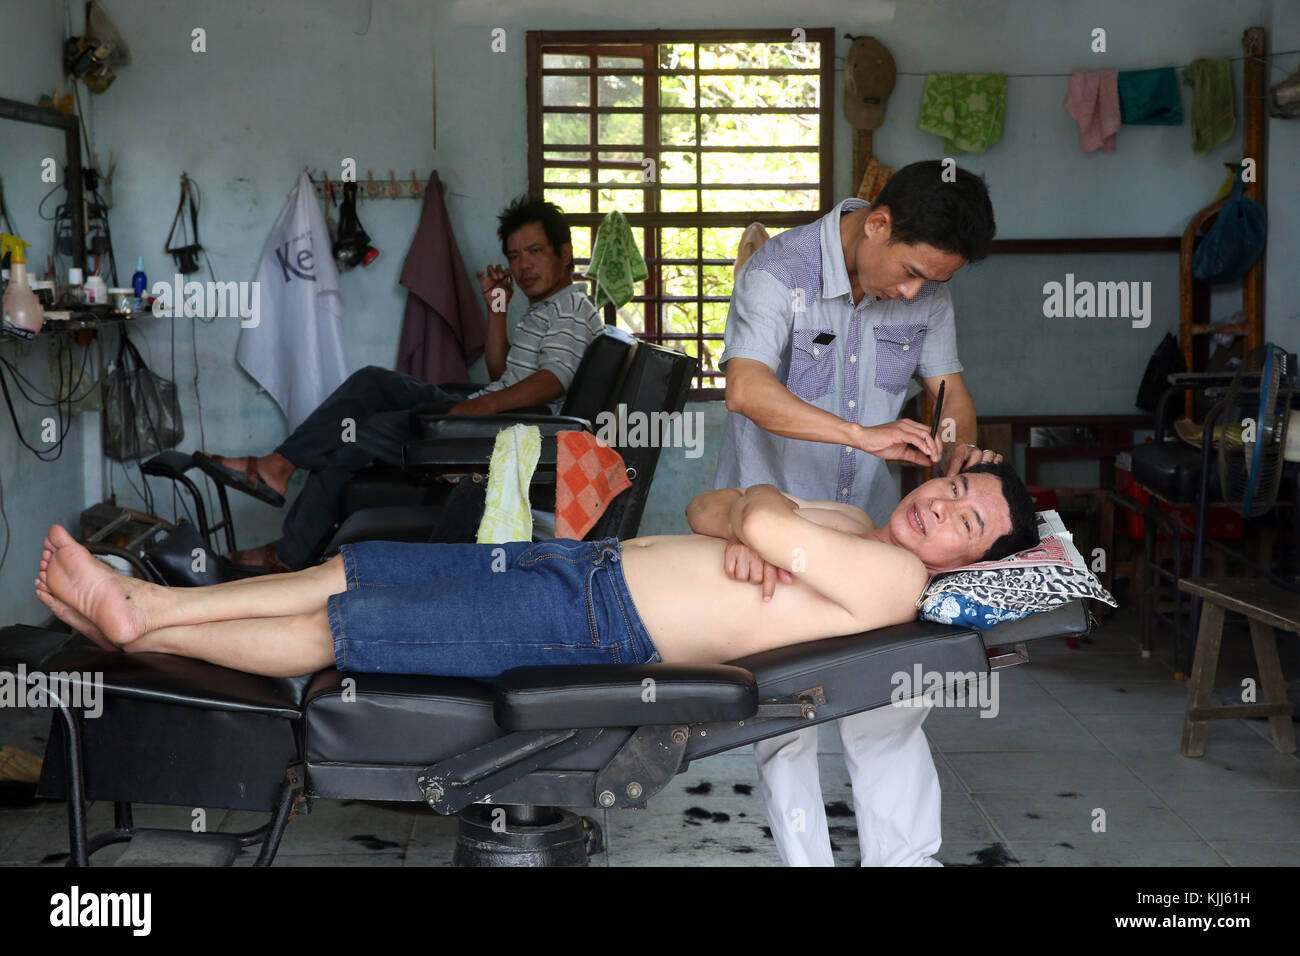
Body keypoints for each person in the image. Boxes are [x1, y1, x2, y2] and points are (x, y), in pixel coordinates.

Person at [32, 464, 1037, 680]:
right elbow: (709, 507)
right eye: (955, 484)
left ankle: (136, 623)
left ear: (975, 559)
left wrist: (761, 512)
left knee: (355, 627)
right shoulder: (861, 520)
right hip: (585, 566)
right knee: (354, 567)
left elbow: (759, 515)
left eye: (969, 520)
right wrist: (754, 512)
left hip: (597, 625)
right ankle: (157, 600)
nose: (943, 504)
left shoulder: (896, 580)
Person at [714, 159, 1001, 866]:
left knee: (891, 706)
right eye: (908, 272)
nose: (913, 292)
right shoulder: (777, 272)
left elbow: (950, 392)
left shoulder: (926, 290)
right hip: (773, 528)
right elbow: (746, 390)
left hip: (872, 537)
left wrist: (954, 453)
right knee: (785, 720)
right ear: (877, 223)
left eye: (933, 281)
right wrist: (862, 435)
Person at [204, 196, 605, 572]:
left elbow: (553, 381)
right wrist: (497, 307)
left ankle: (287, 554)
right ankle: (279, 466)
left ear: (564, 253)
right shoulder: (546, 309)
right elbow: (504, 373)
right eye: (515, 256)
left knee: (351, 437)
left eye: (535, 251)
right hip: (487, 412)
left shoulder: (569, 308)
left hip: (500, 430)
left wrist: (476, 408)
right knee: (372, 383)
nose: (523, 266)